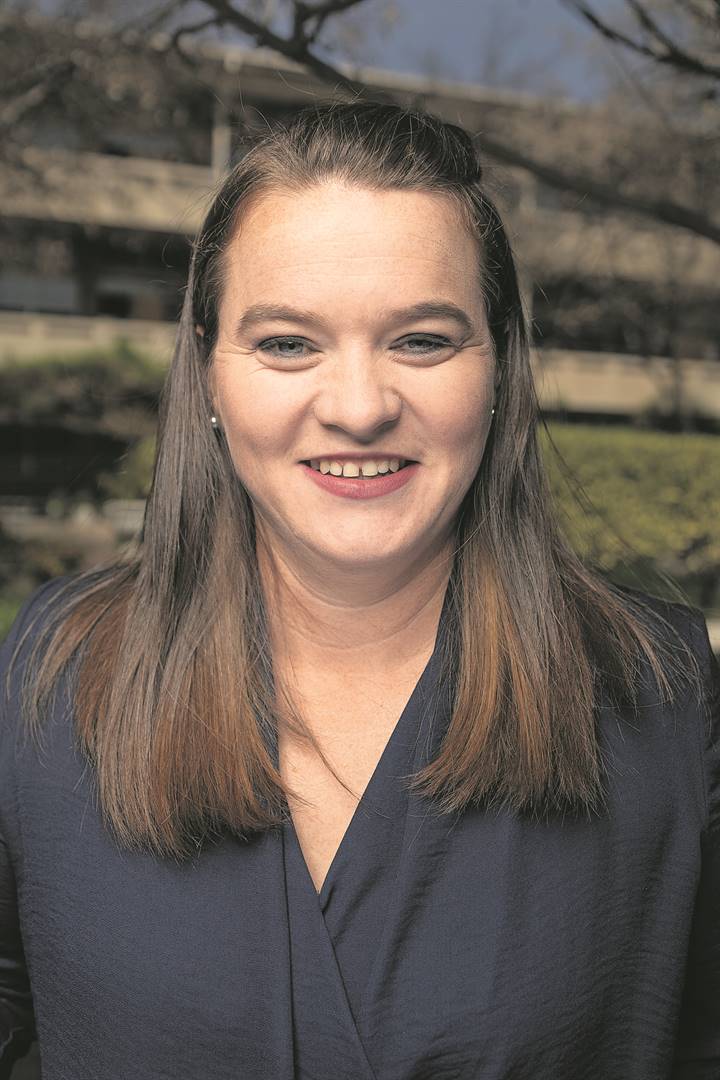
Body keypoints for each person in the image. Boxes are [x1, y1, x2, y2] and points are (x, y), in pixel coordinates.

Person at [0, 100, 718, 1080]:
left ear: (499, 365)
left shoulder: (664, 700)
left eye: (421, 340)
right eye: (287, 343)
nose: (358, 407)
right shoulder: (50, 677)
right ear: (207, 374)